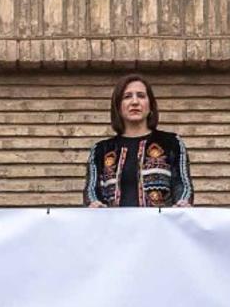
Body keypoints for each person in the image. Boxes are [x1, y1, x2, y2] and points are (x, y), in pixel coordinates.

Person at [83, 74, 193, 208]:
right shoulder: (101, 150)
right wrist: (94, 205)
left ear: (150, 105)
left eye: (141, 96)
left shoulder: (172, 143)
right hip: (113, 227)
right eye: (127, 96)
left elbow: (182, 185)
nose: (135, 102)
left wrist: (182, 204)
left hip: (160, 227)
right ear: (118, 106)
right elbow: (91, 191)